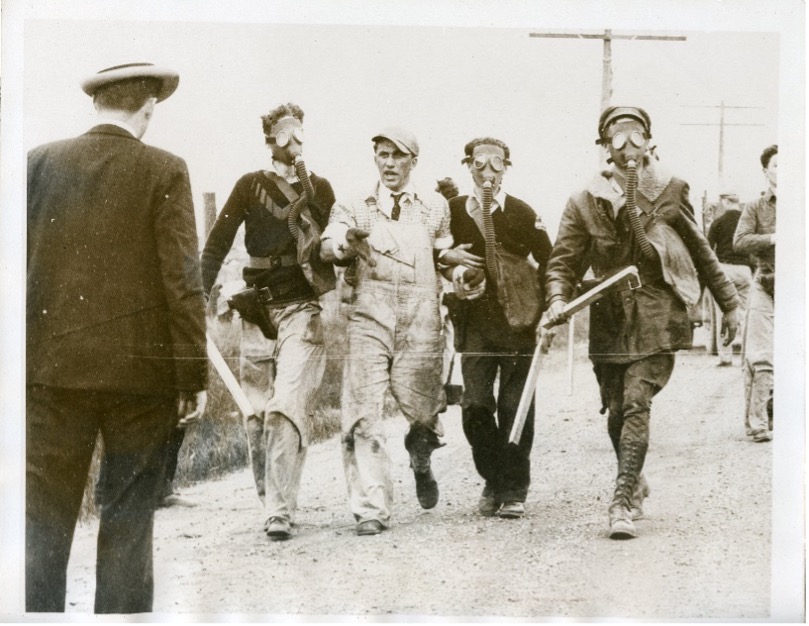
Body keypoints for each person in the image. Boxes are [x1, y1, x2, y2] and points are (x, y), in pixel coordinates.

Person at [26, 62, 208, 613]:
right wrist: (191, 374)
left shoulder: (37, 163)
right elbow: (182, 280)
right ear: (148, 109)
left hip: (50, 373)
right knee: (129, 516)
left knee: (42, 519)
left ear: (97, 104)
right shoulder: (166, 169)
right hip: (140, 377)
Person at [544, 106, 740, 540]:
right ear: (603, 146)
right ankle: (634, 476)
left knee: (636, 400)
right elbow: (562, 262)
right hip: (610, 315)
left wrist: (731, 305)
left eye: (637, 137)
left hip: (657, 310)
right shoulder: (583, 201)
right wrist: (558, 299)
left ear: (651, 141)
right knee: (616, 410)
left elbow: (700, 248)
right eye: (618, 138)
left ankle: (621, 500)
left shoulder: (671, 189)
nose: (628, 147)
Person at [200, 103, 335, 540]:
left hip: (301, 309)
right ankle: (272, 499)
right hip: (257, 310)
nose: (292, 143)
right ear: (268, 140)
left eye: (299, 134)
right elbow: (217, 243)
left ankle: (279, 509)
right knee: (257, 414)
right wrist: (199, 293)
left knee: (285, 407)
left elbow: (335, 245)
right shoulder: (249, 185)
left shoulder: (321, 190)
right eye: (283, 135)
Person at [320, 127, 458, 535]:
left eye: (399, 156)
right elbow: (329, 245)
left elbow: (443, 256)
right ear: (375, 158)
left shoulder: (434, 207)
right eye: (383, 154)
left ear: (413, 162)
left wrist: (461, 270)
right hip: (370, 316)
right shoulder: (353, 205)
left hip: (421, 317)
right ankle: (370, 508)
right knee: (363, 411)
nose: (390, 163)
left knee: (424, 410)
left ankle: (421, 454)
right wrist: (345, 244)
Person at [443, 137, 552, 519]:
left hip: (519, 323)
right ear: (467, 165)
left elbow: (551, 260)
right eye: (479, 163)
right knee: (474, 406)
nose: (487, 172)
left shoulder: (522, 213)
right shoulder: (452, 210)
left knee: (514, 406)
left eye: (496, 164)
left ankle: (514, 488)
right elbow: (433, 250)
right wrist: (451, 262)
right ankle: (492, 476)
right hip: (473, 323)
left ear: (506, 167)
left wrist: (552, 308)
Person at [733, 145, 777, 443]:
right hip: (767, 285)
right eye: (777, 165)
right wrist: (774, 237)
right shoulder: (755, 207)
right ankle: (757, 423)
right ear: (766, 173)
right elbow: (740, 241)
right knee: (761, 357)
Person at [707, 191, 753, 366]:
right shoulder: (747, 220)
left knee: (723, 313)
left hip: (724, 270)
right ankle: (747, 356)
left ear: (725, 202)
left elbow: (708, 249)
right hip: (745, 270)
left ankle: (725, 357)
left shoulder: (718, 222)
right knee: (746, 312)